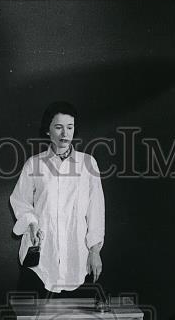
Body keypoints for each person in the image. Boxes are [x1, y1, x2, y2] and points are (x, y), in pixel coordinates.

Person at [9, 101, 105, 297]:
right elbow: (20, 200)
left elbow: (96, 210)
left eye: (69, 127)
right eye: (58, 127)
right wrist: (31, 223)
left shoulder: (87, 164)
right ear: (48, 130)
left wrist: (95, 251)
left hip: (78, 257)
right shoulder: (34, 164)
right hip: (42, 257)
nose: (65, 134)